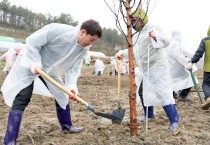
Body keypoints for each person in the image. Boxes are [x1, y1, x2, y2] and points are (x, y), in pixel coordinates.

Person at [2, 19, 102, 145]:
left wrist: (72, 86)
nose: (90, 44)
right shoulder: (57, 30)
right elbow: (32, 42)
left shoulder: (83, 50)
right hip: (29, 64)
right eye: (91, 40)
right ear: (82, 32)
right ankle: (9, 140)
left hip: (49, 70)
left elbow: (73, 70)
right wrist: (34, 62)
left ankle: (67, 126)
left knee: (62, 94)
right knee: (23, 97)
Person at [116, 8, 179, 133]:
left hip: (157, 67)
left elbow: (166, 41)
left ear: (141, 19)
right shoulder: (138, 35)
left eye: (135, 21)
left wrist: (155, 36)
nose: (133, 25)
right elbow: (136, 50)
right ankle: (148, 115)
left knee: (163, 93)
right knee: (142, 92)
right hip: (146, 68)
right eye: (131, 23)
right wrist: (123, 53)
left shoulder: (152, 27)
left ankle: (174, 120)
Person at [167, 30, 199, 102]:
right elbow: (177, 55)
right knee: (190, 79)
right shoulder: (175, 43)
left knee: (172, 81)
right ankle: (182, 95)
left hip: (171, 66)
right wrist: (187, 61)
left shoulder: (170, 43)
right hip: (176, 67)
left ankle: (173, 95)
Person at [185, 25, 210, 110]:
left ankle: (208, 98)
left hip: (208, 68)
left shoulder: (206, 40)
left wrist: (191, 62)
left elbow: (199, 53)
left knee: (206, 84)